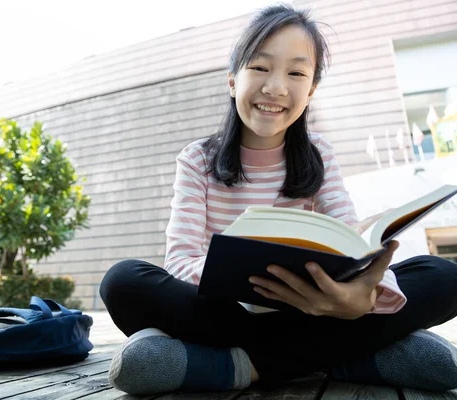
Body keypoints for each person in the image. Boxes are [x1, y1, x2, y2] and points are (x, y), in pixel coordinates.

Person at [99, 3, 457, 395]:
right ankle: (349, 356)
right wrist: (247, 281)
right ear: (233, 80)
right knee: (123, 282)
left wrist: (361, 298)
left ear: (311, 90)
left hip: (319, 305)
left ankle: (239, 366)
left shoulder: (319, 153)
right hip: (231, 310)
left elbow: (353, 237)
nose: (275, 87)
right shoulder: (197, 158)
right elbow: (180, 261)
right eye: (259, 67)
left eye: (296, 73)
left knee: (443, 276)